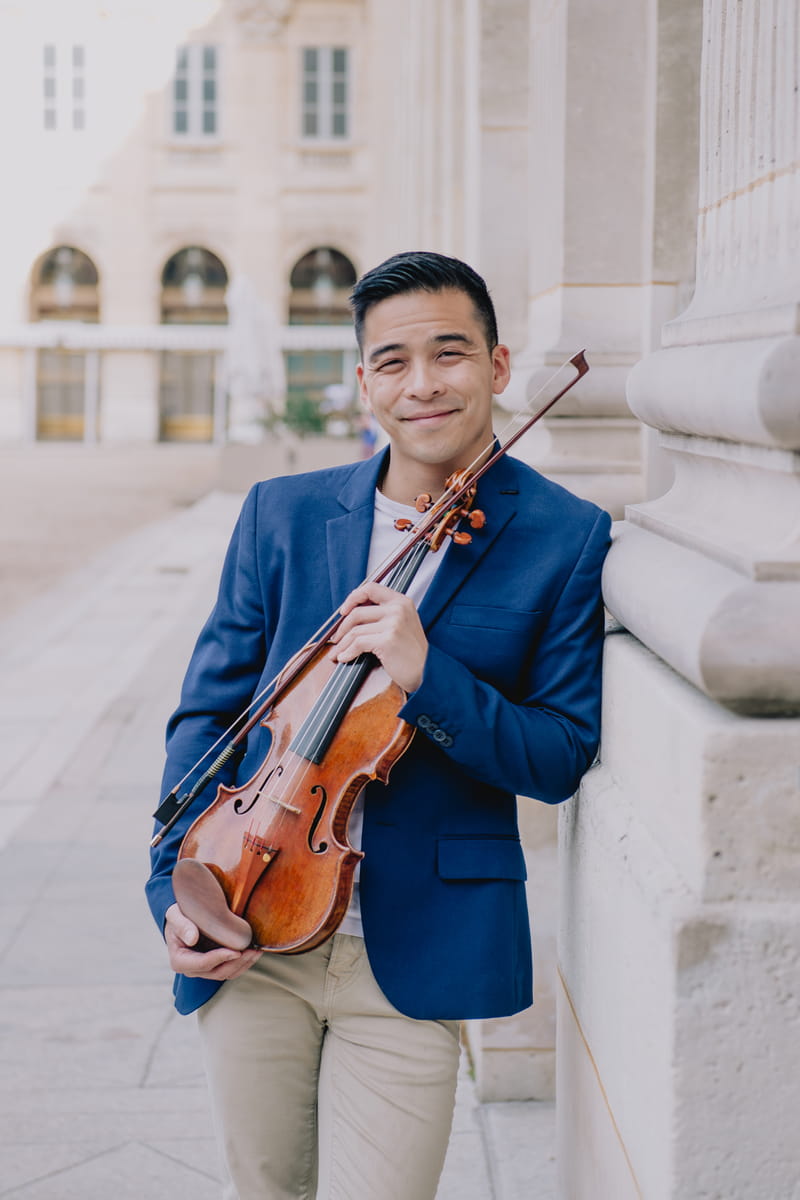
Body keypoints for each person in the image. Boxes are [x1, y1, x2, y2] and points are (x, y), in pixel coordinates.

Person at [146, 251, 611, 1200]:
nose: (423, 384)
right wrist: (172, 895)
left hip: (414, 952)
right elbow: (207, 719)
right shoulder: (283, 513)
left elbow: (559, 754)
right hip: (251, 925)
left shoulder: (566, 538)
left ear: (496, 363)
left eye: (450, 353)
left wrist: (428, 674)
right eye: (392, 361)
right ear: (364, 380)